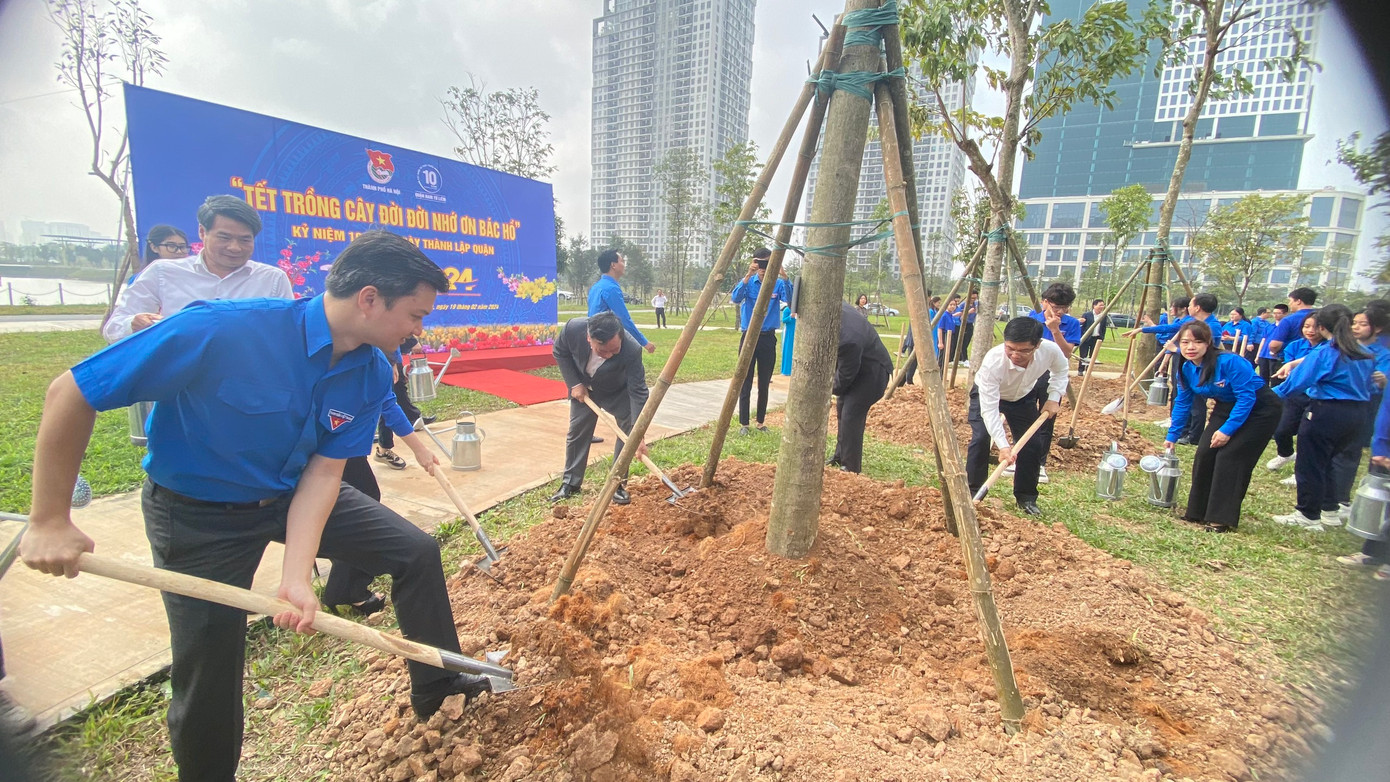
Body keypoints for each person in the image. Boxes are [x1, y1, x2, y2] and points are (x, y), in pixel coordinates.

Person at [20, 230, 486, 781]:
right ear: (368, 298)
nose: (419, 330)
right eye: (415, 314)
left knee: (413, 552)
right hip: (197, 514)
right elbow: (71, 392)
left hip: (289, 491)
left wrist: (296, 577)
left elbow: (323, 473)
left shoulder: (368, 371)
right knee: (210, 672)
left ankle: (438, 685)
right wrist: (50, 519)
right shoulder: (221, 329)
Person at [103, 195, 293, 343]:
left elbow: (288, 334)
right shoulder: (162, 272)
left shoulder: (272, 279)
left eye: (245, 239)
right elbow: (113, 328)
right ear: (202, 232)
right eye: (224, 238)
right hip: (178, 380)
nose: (235, 247)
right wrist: (134, 323)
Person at [1164, 320, 1281, 533]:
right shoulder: (1186, 368)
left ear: (1209, 343)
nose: (1190, 347)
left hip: (1260, 409)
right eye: (1185, 342)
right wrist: (1173, 434)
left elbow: (1247, 398)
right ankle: (1197, 512)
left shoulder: (1230, 362)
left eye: (1197, 342)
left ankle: (1221, 519)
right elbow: (1183, 401)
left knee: (1230, 457)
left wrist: (1227, 431)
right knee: (1205, 453)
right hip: (1226, 407)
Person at [1272, 305, 1375, 531]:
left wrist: (1267, 398)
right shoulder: (1362, 352)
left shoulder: (1327, 352)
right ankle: (1330, 510)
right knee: (1327, 461)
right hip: (1357, 414)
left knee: (1310, 463)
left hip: (1326, 411)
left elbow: (1297, 383)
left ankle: (1308, 514)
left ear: (1321, 327)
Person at [966, 317, 1069, 516]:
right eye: (1010, 348)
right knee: (981, 439)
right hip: (988, 395)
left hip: (1022, 397)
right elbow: (989, 410)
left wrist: (1054, 397)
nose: (1015, 355)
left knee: (1032, 444)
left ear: (1037, 345)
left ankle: (1026, 497)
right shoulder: (993, 361)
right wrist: (1004, 447)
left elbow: (1061, 370)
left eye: (1023, 351)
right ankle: (973, 493)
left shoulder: (1050, 350)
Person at [548, 312, 651, 504]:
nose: (609, 355)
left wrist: (639, 434)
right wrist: (574, 383)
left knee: (628, 427)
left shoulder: (632, 350)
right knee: (577, 431)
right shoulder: (573, 329)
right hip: (584, 389)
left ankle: (617, 483)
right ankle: (570, 483)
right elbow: (560, 351)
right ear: (589, 338)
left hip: (616, 392)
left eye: (615, 350)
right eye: (603, 351)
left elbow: (638, 392)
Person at [730, 248, 792, 435]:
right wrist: (747, 275)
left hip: (767, 338)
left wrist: (784, 275)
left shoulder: (778, 284)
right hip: (748, 337)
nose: (763, 268)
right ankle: (744, 424)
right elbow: (735, 298)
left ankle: (761, 421)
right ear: (754, 263)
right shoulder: (748, 283)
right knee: (745, 380)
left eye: (767, 263)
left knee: (764, 381)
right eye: (760, 263)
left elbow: (790, 299)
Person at [827, 303, 893, 473]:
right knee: (843, 410)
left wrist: (830, 389)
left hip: (873, 374)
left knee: (851, 415)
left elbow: (846, 374)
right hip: (861, 369)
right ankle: (840, 456)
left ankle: (850, 468)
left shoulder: (848, 339)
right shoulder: (835, 306)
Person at [1265, 313, 1325, 478]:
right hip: (1295, 394)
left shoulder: (1327, 349)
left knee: (1307, 436)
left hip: (1316, 396)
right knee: (1281, 429)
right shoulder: (1295, 346)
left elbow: (1311, 364)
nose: (1310, 330)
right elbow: (1291, 372)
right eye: (1306, 326)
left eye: (1315, 327)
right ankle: (1286, 454)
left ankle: (1301, 473)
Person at [588, 249, 655, 354]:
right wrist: (644, 342)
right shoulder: (611, 288)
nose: (624, 265)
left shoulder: (596, 287)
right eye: (622, 261)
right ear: (613, 265)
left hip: (594, 339)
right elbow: (623, 319)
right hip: (606, 341)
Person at [1028, 282, 1082, 359]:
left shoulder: (1073, 323)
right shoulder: (1031, 321)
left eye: (1065, 307)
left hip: (1057, 367)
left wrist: (1055, 330)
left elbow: (1066, 354)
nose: (1060, 311)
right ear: (1046, 302)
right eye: (1056, 307)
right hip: (1033, 365)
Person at [1077, 298, 1109, 374]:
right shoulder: (1087, 315)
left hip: (1096, 338)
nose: (1102, 307)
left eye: (1103, 305)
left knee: (1093, 356)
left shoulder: (1103, 316)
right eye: (1100, 305)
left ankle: (1088, 371)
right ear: (1094, 305)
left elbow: (1103, 328)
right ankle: (1080, 370)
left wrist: (1102, 338)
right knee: (1083, 355)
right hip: (1086, 338)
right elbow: (1082, 326)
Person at [780, 302, 796, 376]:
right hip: (789, 331)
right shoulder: (787, 309)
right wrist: (790, 317)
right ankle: (786, 370)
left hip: (795, 330)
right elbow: (783, 320)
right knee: (787, 349)